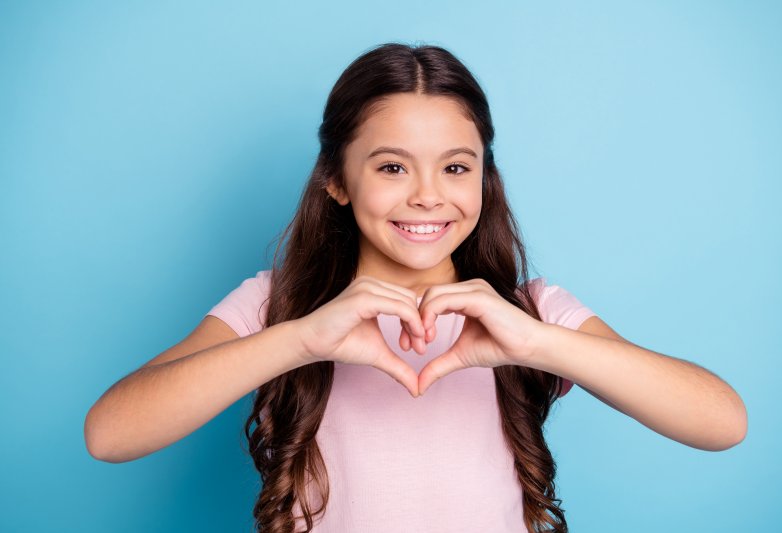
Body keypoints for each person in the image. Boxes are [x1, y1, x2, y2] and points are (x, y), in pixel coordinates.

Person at [84, 42, 748, 533]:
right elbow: (110, 433)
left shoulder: (531, 312)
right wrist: (300, 338)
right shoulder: (275, 306)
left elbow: (723, 422)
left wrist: (542, 343)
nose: (428, 195)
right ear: (338, 181)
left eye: (456, 166)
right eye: (393, 166)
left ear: (483, 181)